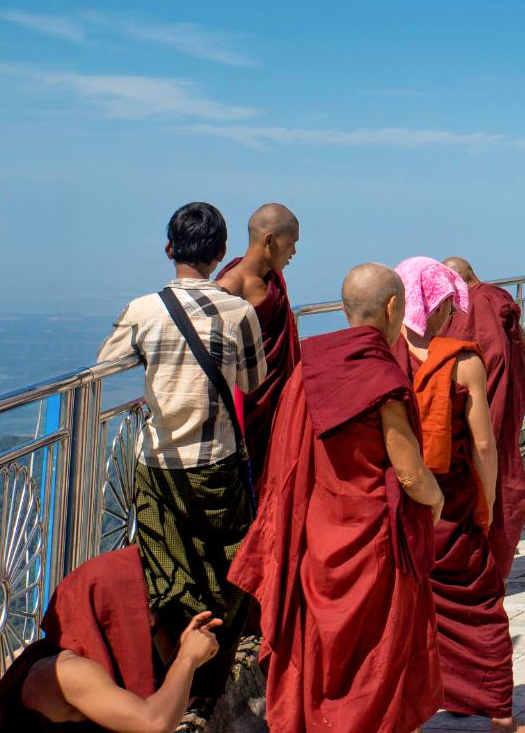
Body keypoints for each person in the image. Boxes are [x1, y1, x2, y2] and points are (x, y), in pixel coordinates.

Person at [229, 263, 445, 733]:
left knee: (323, 656)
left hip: (317, 540)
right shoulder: (380, 380)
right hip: (373, 545)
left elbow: (289, 462)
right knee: (374, 660)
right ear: (392, 308)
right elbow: (409, 472)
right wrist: (435, 499)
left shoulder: (312, 368)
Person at [96, 202, 267, 667]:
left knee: (169, 566)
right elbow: (252, 381)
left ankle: (178, 665)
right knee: (226, 562)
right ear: (222, 252)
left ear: (169, 248)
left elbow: (104, 366)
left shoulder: (141, 310)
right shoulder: (240, 313)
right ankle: (218, 660)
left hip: (159, 462)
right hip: (219, 461)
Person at [391, 258, 525, 733]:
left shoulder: (380, 354)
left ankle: (407, 711)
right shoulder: (461, 360)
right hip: (451, 500)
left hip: (398, 503)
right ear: (435, 304)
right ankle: (498, 715)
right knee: (478, 603)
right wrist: (489, 499)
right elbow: (482, 444)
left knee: (405, 609)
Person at [0, 546, 222, 733]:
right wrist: (188, 658)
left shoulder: (80, 655)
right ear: (108, 610)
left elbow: (151, 703)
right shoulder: (67, 671)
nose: (151, 621)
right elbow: (153, 723)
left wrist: (181, 653)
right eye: (141, 607)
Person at [443, 255, 525, 583]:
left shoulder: (472, 305)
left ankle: (483, 558)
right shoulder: (497, 298)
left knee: (485, 475)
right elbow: (524, 341)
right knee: (502, 466)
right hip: (503, 401)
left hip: (479, 402)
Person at [214, 202, 301, 492]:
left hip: (278, 397)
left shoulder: (273, 278)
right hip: (248, 404)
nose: (294, 253)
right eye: (291, 244)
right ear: (269, 240)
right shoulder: (229, 287)